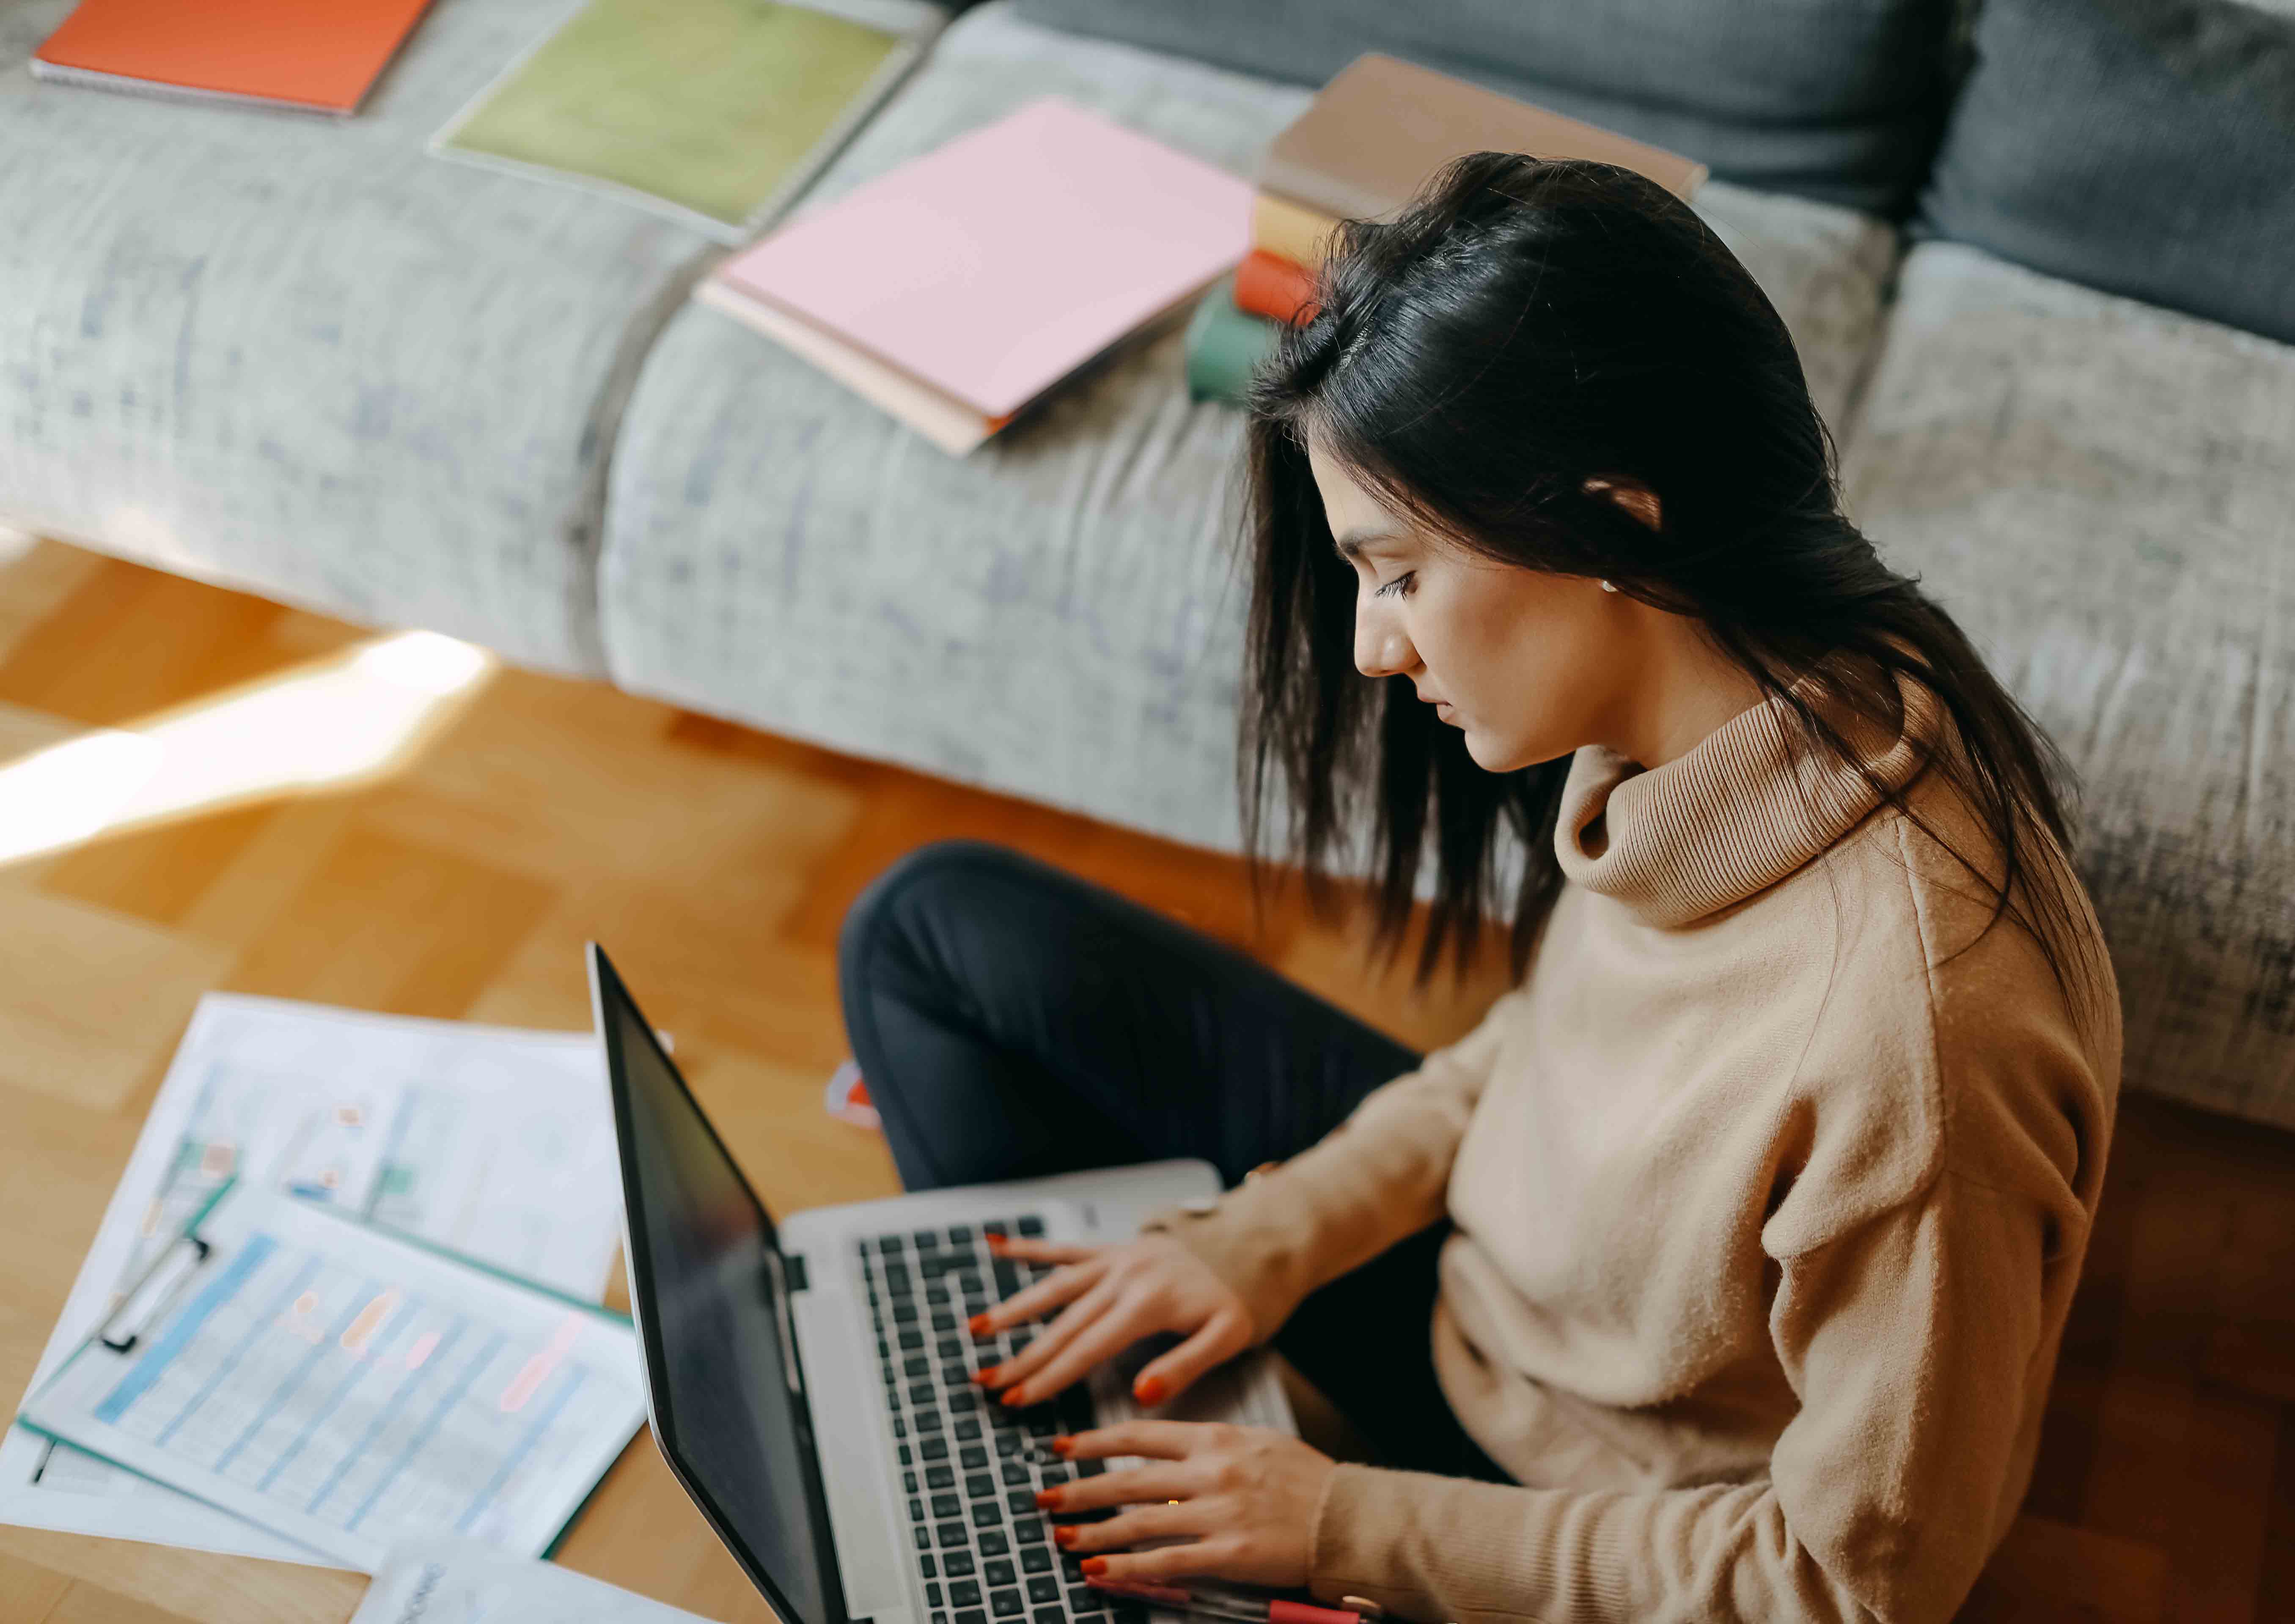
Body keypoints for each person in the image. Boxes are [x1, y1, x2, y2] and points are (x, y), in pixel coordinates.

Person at [836, 151, 2122, 1624]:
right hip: (1499, 1301)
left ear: (1615, 525)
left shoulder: (1921, 1047)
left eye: (1397, 575)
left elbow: (1855, 1584)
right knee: (928, 930)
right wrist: (1277, 1232)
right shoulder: (1748, 712)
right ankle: (1086, 1474)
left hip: (1584, 1520)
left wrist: (1345, 1524)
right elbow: (1550, 1058)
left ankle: (1071, 1533)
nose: (1376, 651)